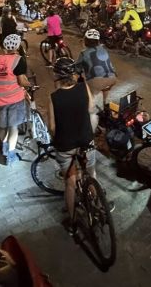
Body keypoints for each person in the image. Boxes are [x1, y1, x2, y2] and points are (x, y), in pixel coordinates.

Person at [46, 58, 98, 233]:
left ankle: (73, 222)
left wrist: (57, 137)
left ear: (57, 76)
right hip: (86, 141)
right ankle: (96, 203)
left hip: (66, 145)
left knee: (70, 183)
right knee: (91, 172)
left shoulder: (54, 97)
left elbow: (52, 127)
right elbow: (91, 108)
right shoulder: (84, 88)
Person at [0, 34, 32, 166]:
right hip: (13, 98)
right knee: (13, 127)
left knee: (2, 126)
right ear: (18, 46)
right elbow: (22, 80)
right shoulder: (18, 60)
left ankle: (3, 147)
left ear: (3, 48)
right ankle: (11, 155)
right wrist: (30, 86)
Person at [75, 28, 117, 108]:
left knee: (90, 94)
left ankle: (92, 107)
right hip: (113, 78)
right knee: (105, 85)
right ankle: (104, 103)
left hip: (97, 82)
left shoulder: (83, 53)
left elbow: (77, 69)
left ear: (86, 40)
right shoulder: (103, 50)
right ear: (98, 41)